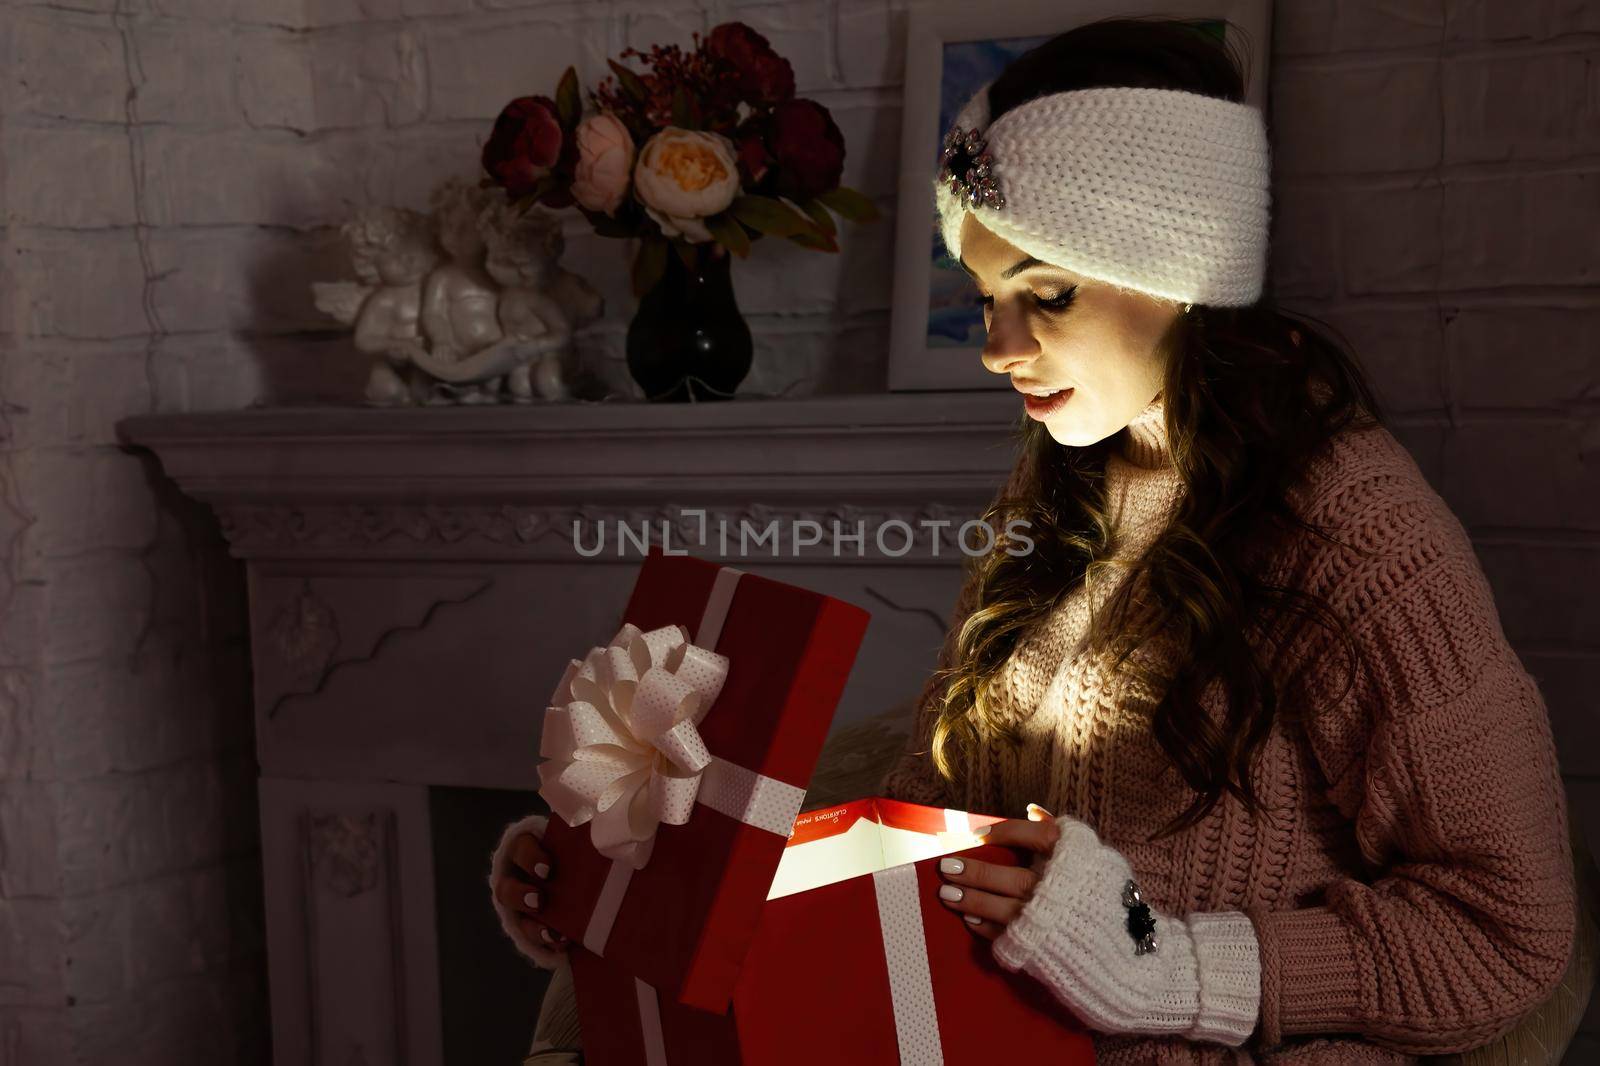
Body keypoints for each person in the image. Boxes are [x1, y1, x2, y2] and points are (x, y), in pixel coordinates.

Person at [486, 16, 1578, 1065]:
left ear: (1182, 272)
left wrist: (1164, 963)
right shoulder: (1062, 484)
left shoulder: (1355, 533)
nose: (998, 349)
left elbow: (1509, 931)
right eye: (984, 296)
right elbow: (936, 823)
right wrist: (627, 889)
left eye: (1045, 294)